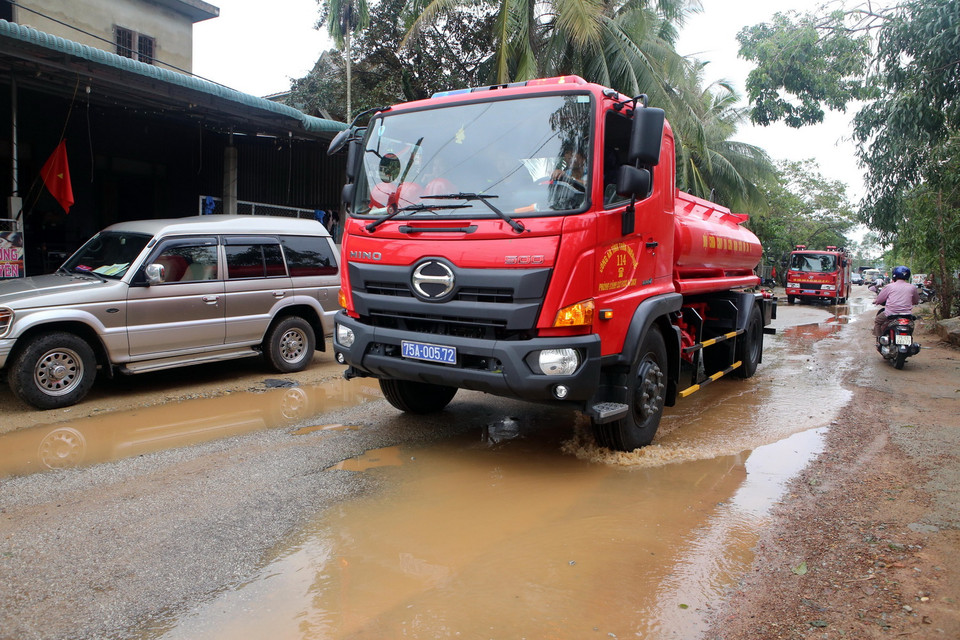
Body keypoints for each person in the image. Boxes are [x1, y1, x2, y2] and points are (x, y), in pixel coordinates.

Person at [873, 265, 920, 337]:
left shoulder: (889, 286)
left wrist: (876, 301)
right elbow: (916, 301)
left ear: (894, 275)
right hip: (907, 315)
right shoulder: (912, 287)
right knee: (911, 326)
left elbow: (880, 299)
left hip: (890, 314)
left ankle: (879, 341)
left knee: (877, 322)